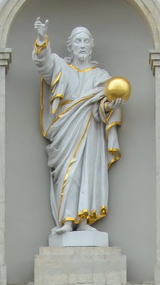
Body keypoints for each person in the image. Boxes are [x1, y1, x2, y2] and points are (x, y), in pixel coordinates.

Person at [33, 18, 124, 236]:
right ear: (70, 45)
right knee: (69, 170)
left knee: (88, 172)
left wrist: (110, 106)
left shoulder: (101, 76)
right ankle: (67, 220)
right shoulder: (61, 67)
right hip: (66, 128)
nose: (82, 45)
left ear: (91, 45)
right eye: (77, 41)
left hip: (91, 129)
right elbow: (43, 64)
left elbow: (103, 107)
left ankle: (83, 220)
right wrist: (42, 39)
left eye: (85, 41)